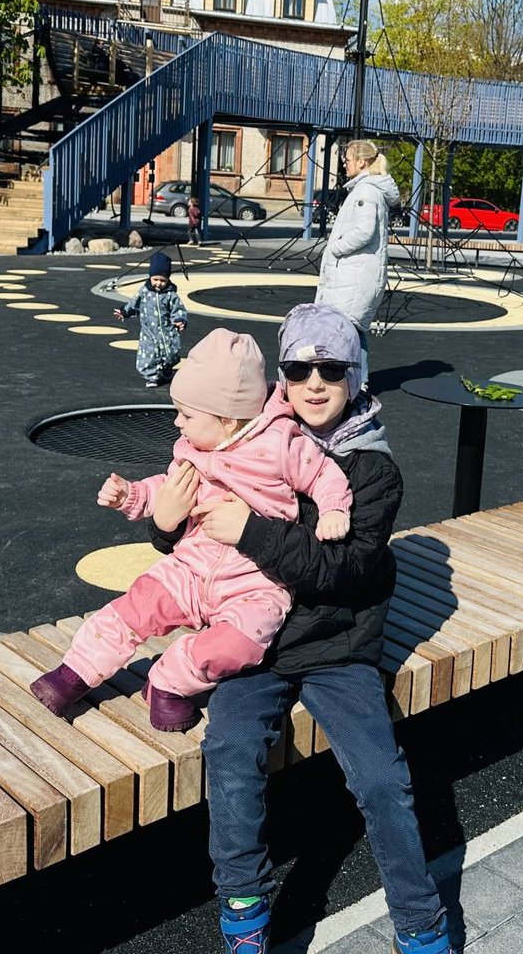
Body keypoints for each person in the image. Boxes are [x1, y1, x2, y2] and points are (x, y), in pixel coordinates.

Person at [161, 303, 453, 954]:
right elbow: (186, 531)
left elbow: (342, 572)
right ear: (280, 378)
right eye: (299, 367)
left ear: (357, 377)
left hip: (338, 643)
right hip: (253, 643)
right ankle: (244, 916)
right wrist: (163, 520)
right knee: (231, 754)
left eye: (332, 368)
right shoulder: (242, 439)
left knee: (382, 779)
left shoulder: (372, 471)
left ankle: (421, 924)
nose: (315, 382)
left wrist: (252, 530)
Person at [30, 328, 354, 733]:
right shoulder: (191, 450)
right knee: (133, 608)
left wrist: (333, 509)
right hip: (189, 567)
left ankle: (169, 682)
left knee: (243, 642)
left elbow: (324, 474)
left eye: (186, 414)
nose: (177, 423)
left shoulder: (281, 445)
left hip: (253, 581)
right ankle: (74, 672)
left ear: (227, 418)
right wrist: (131, 496)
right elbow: (168, 489)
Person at [315, 139, 400, 385]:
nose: (345, 165)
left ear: (362, 162)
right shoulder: (367, 189)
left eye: (347, 160)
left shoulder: (366, 191)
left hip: (354, 274)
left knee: (350, 329)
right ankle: (351, 381)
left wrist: (336, 248)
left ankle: (357, 384)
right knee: (351, 328)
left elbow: (364, 231)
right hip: (357, 272)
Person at [114, 251, 189, 387]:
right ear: (150, 277)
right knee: (148, 355)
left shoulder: (171, 295)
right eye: (156, 279)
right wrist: (124, 312)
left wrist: (180, 320)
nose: (159, 283)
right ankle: (152, 376)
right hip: (149, 332)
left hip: (167, 331)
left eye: (163, 280)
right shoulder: (144, 292)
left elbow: (178, 309)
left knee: (170, 354)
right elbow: (134, 303)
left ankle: (167, 368)